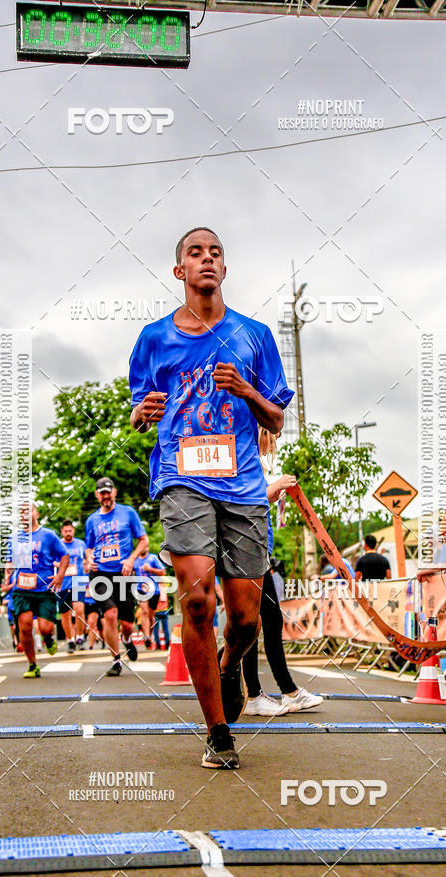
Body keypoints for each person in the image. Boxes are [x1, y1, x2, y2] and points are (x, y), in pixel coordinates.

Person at [129, 226, 293, 769]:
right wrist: (140, 414)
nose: (205, 260)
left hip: (243, 484)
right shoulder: (154, 338)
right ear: (180, 271)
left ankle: (229, 668)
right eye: (194, 253)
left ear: (225, 269)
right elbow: (138, 411)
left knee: (246, 618)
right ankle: (218, 731)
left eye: (214, 253)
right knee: (197, 599)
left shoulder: (255, 335)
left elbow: (277, 418)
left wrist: (246, 390)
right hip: (181, 477)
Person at [242, 427, 323, 716]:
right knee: (254, 622)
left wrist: (271, 494)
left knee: (260, 622)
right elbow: (241, 500)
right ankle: (264, 693)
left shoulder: (251, 458)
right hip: (246, 551)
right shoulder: (244, 453)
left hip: (256, 551)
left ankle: (270, 692)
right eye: (273, 437)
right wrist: (271, 489)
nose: (275, 444)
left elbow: (254, 500)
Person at [84, 477, 147, 675]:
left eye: (108, 492)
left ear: (114, 492)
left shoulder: (128, 513)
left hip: (123, 573)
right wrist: (89, 559)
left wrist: (131, 559)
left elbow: (144, 541)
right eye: (102, 493)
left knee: (127, 624)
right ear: (97, 495)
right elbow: (88, 548)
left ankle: (127, 640)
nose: (105, 496)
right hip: (100, 574)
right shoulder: (92, 520)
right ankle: (116, 660)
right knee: (110, 615)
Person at [2, 503, 69, 678]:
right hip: (22, 588)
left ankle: (48, 638)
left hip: (44, 588)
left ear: (36, 513)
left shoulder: (48, 535)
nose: (25, 514)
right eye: (21, 511)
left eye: (28, 510)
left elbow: (64, 555)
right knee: (24, 626)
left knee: (45, 628)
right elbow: (9, 561)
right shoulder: (14, 538)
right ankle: (32, 664)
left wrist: (60, 575)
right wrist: (6, 576)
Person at [57, 520, 87, 652]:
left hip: (79, 581)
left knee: (79, 608)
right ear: (62, 532)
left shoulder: (81, 544)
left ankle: (80, 637)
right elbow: (51, 560)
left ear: (73, 531)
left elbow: (87, 558)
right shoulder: (57, 544)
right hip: (62, 583)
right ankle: (70, 640)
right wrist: (61, 565)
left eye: (70, 531)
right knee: (65, 614)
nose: (68, 533)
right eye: (65, 531)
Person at [132, 537, 166, 649]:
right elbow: (131, 573)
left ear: (148, 547)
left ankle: (149, 636)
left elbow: (163, 572)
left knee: (151, 615)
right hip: (140, 589)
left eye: (145, 546)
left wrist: (151, 569)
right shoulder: (135, 560)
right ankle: (146, 636)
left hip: (154, 590)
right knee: (145, 612)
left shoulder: (153, 558)